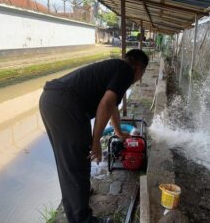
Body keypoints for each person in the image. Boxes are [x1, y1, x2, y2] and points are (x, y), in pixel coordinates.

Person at [39, 49, 149, 223]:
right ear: (139, 69)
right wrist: (96, 140)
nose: (139, 77)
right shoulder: (126, 71)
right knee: (77, 161)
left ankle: (79, 196)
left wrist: (119, 132)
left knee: (68, 160)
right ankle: (82, 219)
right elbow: (105, 104)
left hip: (49, 99)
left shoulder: (115, 68)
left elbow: (112, 106)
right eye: (142, 74)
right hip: (66, 105)